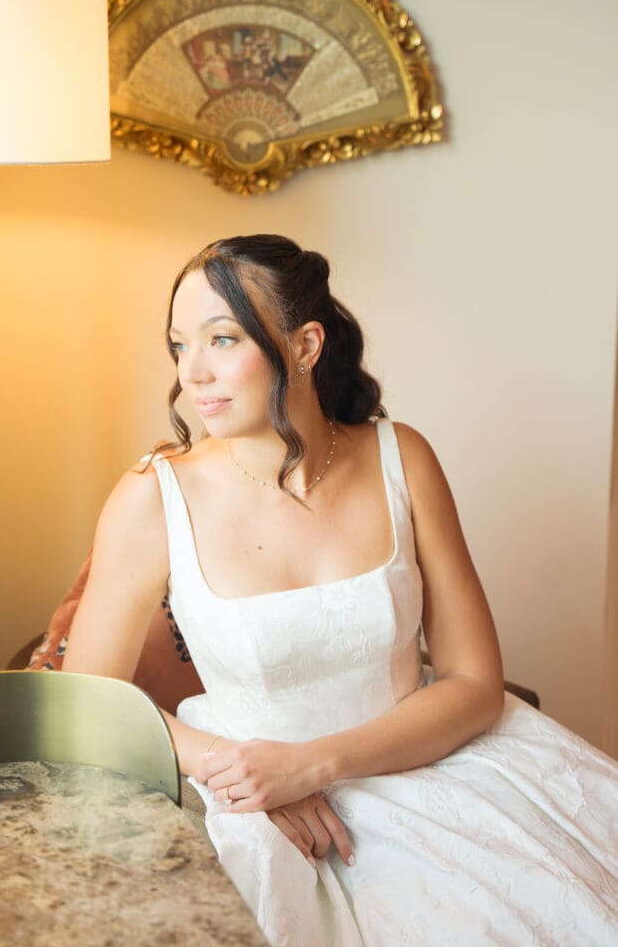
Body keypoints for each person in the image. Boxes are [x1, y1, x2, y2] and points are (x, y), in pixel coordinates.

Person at [63, 234, 617, 946]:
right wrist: (249, 776)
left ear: (305, 345)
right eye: (179, 345)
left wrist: (309, 765)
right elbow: (90, 701)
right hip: (247, 800)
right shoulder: (152, 495)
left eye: (222, 339)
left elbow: (475, 683)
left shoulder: (402, 456)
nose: (191, 372)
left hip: (430, 768)